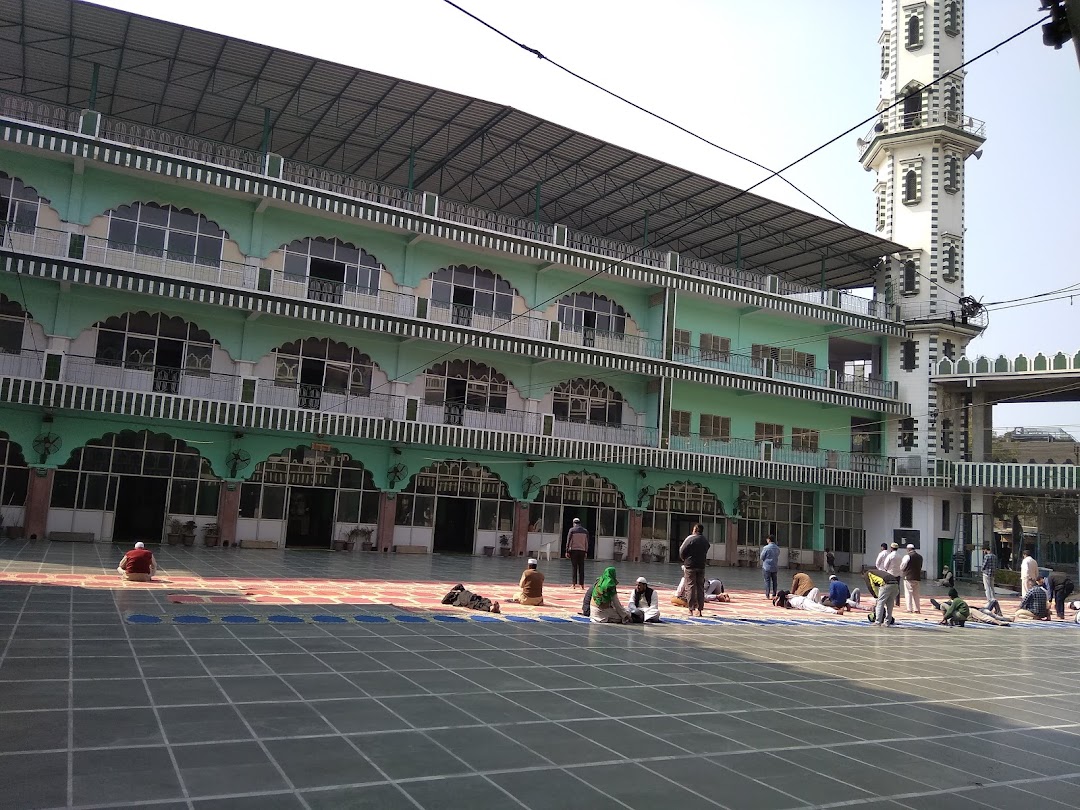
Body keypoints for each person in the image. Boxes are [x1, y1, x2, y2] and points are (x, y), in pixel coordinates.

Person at [679, 523, 710, 618]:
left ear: (695, 529)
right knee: (700, 588)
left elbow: (681, 550)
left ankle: (691, 609)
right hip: (701, 566)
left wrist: (685, 559)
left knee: (691, 587)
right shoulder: (705, 540)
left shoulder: (690, 538)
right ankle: (700, 610)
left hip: (690, 566)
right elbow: (707, 548)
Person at [565, 518, 589, 590]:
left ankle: (574, 584)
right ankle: (582, 585)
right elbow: (587, 542)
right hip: (582, 551)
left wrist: (567, 551)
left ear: (573, 523)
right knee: (581, 568)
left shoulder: (572, 530)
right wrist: (586, 552)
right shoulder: (585, 531)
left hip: (574, 550)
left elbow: (568, 541)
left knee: (574, 567)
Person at [773, 589, 838, 615]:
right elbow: (781, 593)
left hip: (806, 599)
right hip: (804, 604)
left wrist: (777, 596)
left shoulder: (787, 596)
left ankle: (821, 605)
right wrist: (777, 597)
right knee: (818, 608)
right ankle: (836, 612)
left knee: (815, 590)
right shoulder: (783, 602)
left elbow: (786, 592)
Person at [900, 544, 923, 614]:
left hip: (908, 577)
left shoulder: (907, 556)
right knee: (916, 594)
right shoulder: (920, 557)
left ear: (908, 549)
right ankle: (917, 609)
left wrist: (903, 571)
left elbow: (902, 566)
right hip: (917, 577)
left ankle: (909, 609)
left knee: (908, 593)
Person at [883, 542, 903, 607]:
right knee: (897, 588)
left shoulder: (890, 555)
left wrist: (886, 570)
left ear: (891, 548)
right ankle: (897, 602)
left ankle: (888, 601)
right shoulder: (900, 556)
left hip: (890, 574)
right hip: (898, 574)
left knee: (888, 588)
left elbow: (885, 565)